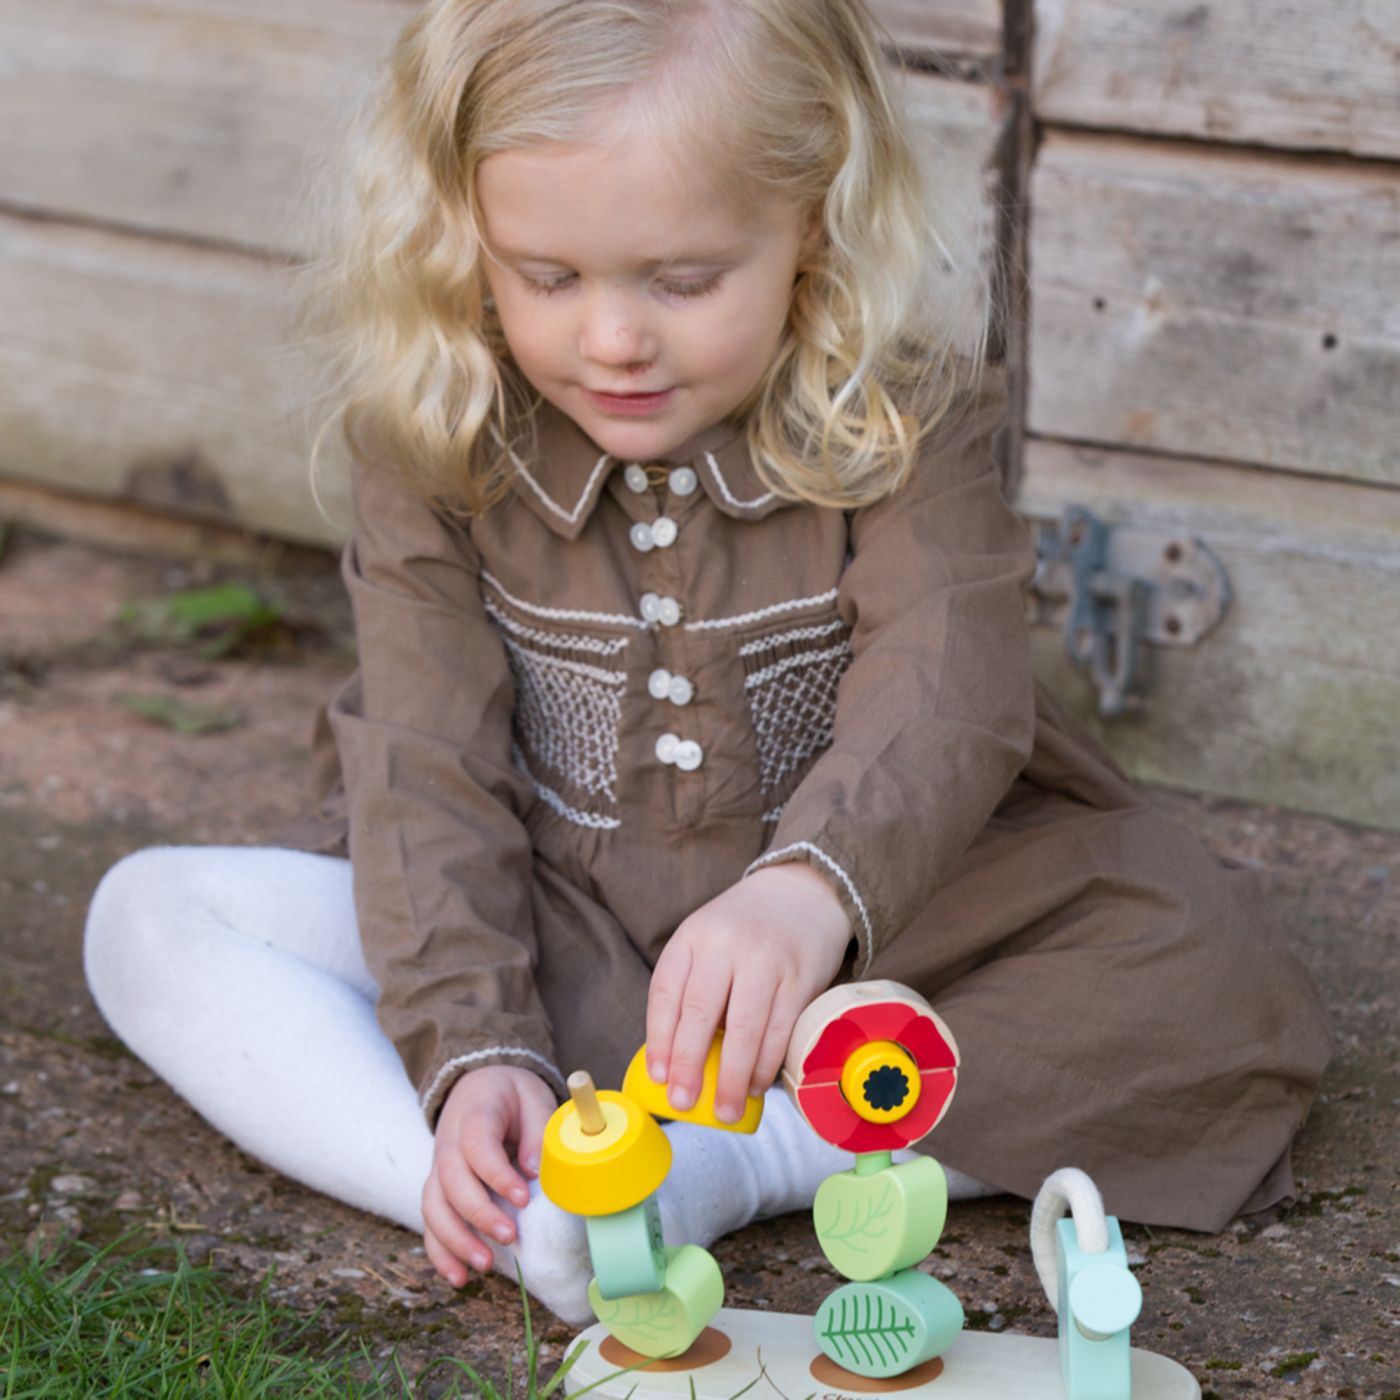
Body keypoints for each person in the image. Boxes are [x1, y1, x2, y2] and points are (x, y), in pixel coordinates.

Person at [83, 0, 1332, 1327]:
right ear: (464, 235)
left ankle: (739, 1162)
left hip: (875, 952)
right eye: (548, 278)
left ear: (813, 226)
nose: (612, 339)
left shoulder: (906, 422)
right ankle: (520, 1200)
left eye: (682, 280)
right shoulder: (439, 443)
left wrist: (810, 889)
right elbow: (421, 765)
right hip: (555, 928)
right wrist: (469, 1045)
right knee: (150, 922)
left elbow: (953, 693)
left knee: (1204, 971)